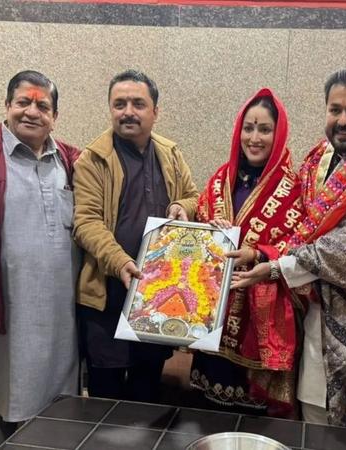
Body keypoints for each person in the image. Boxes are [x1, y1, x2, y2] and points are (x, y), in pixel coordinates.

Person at [233, 65, 346, 449]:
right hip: (315, 312)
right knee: (313, 415)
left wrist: (275, 267)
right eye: (335, 110)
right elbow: (296, 229)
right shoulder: (317, 161)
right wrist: (261, 252)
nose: (343, 120)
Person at [0, 70, 81, 449]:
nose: (32, 111)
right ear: (7, 105)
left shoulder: (71, 161)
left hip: (62, 313)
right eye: (23, 102)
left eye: (43, 105)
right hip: (3, 305)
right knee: (5, 396)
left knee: (61, 401)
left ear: (54, 116)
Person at [74, 69, 200, 402]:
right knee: (106, 394)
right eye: (120, 103)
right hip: (107, 296)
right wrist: (119, 262)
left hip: (156, 297)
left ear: (155, 111)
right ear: (110, 109)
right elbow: (85, 222)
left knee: (147, 389)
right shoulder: (92, 159)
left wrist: (181, 205)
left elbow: (193, 195)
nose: (128, 111)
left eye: (138, 103)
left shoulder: (170, 153)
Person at [190, 88, 304, 417]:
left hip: (258, 326)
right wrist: (211, 227)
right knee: (205, 418)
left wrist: (258, 254)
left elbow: (301, 244)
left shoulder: (294, 187)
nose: (254, 137)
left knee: (252, 427)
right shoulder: (218, 180)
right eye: (248, 128)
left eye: (265, 129)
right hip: (212, 322)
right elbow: (198, 226)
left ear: (279, 133)